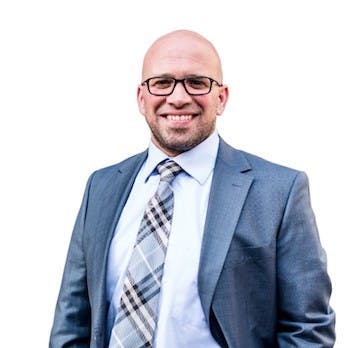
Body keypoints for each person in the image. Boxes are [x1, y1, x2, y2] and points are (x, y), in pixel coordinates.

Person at [50, 30, 335, 347]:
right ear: (141, 98)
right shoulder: (101, 187)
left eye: (197, 82)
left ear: (221, 97)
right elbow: (72, 321)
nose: (178, 97)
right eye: (162, 83)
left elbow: (307, 329)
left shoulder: (279, 191)